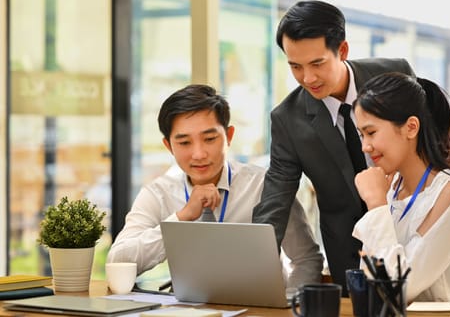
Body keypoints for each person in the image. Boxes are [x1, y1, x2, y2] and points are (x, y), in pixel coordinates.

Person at [252, 0, 450, 295]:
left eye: (317, 64)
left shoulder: (393, 75)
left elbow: (439, 149)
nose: (307, 78)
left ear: (342, 51)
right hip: (353, 259)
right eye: (295, 66)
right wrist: (251, 275)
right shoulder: (287, 118)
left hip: (419, 259)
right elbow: (275, 202)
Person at [107, 84, 324, 290]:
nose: (199, 154)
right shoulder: (158, 194)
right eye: (184, 143)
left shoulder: (264, 186)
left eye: (209, 139)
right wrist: (181, 218)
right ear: (168, 146)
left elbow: (306, 259)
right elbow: (118, 261)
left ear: (228, 136)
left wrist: (288, 305)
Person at [351, 72, 450, 305]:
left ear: (410, 127)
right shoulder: (391, 187)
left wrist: (376, 205)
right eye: (361, 135)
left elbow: (397, 289)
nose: (365, 147)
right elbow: (372, 284)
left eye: (371, 133)